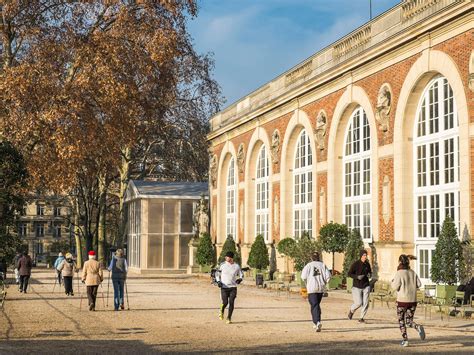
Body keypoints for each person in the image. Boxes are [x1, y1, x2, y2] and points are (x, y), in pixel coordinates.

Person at [391, 254, 425, 347]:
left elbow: (394, 286)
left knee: (401, 321)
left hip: (402, 301)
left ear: (400, 262)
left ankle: (405, 340)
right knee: (409, 321)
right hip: (412, 301)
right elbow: (419, 284)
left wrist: (393, 281)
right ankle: (417, 327)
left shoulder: (399, 273)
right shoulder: (412, 272)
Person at [301, 252, 331, 332]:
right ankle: (315, 323)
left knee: (314, 305)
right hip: (320, 288)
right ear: (319, 257)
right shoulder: (322, 265)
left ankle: (317, 322)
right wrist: (324, 283)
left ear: (311, 258)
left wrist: (307, 283)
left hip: (311, 288)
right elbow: (328, 277)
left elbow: (303, 276)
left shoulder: (309, 265)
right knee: (316, 305)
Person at [216, 251, 243, 324]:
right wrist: (218, 281)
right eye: (226, 257)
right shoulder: (222, 265)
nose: (226, 258)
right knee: (225, 302)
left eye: (227, 257)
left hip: (233, 287)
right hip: (224, 287)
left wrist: (240, 279)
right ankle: (221, 311)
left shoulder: (236, 266)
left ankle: (229, 318)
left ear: (231, 258)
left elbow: (241, 274)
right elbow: (217, 274)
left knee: (231, 302)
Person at [348, 249, 372, 323]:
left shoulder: (367, 264)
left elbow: (370, 272)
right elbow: (349, 274)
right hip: (356, 286)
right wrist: (357, 277)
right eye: (364, 255)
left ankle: (361, 318)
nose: (365, 256)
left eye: (366, 255)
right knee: (358, 303)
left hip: (366, 285)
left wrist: (370, 275)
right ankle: (352, 310)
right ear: (361, 256)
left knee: (366, 303)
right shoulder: (355, 264)